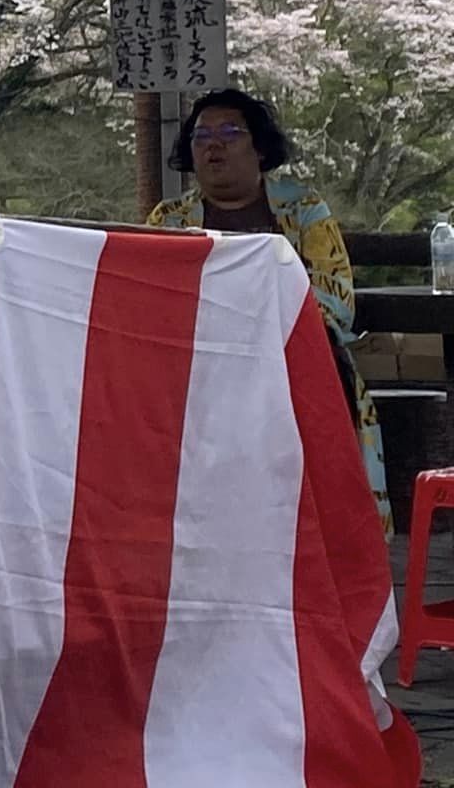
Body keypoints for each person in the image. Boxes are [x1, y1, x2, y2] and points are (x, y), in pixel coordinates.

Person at [148, 88, 391, 538]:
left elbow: (336, 305)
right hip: (200, 373)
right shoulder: (170, 220)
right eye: (201, 136)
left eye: (229, 132)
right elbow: (152, 307)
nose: (213, 145)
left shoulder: (303, 211)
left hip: (293, 365)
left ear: (259, 148)